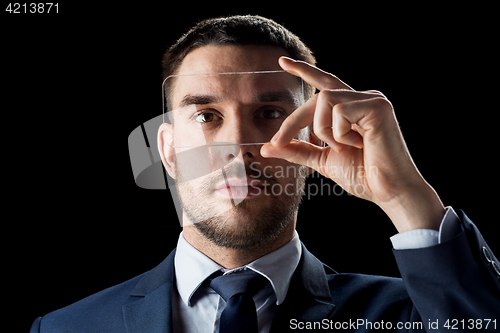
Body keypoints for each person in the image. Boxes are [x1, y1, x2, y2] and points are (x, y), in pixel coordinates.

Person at [30, 15, 499, 333]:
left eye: (271, 113)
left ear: (312, 141)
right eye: (206, 116)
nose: (239, 147)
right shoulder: (67, 328)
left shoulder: (410, 316)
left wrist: (406, 198)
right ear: (169, 152)